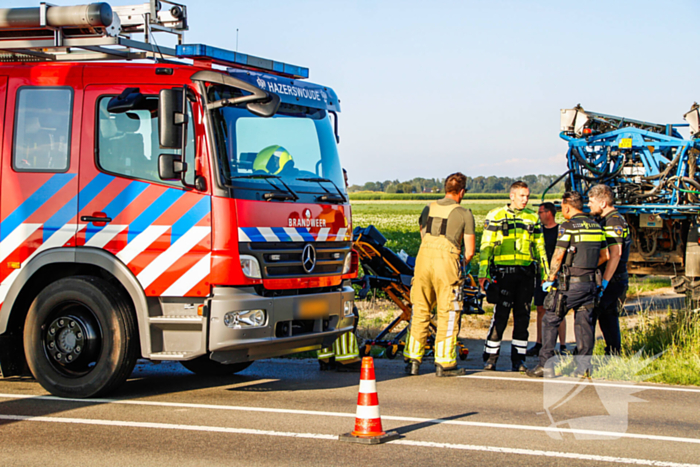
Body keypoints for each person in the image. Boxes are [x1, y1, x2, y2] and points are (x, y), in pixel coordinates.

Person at [527, 191, 609, 378]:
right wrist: (586, 267)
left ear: (566, 205)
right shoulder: (596, 227)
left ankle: (545, 365)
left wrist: (550, 279)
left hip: (570, 284)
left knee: (550, 319)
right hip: (590, 284)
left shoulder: (568, 226)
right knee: (584, 324)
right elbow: (606, 256)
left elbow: (558, 255)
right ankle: (584, 368)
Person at [403, 172, 476, 377]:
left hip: (423, 260)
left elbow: (422, 233)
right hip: (447, 263)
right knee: (448, 312)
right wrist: (461, 264)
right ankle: (444, 363)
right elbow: (469, 251)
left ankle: (413, 360)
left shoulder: (428, 208)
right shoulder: (464, 213)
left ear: (445, 189)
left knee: (420, 309)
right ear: (461, 192)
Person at [478, 181, 549, 372]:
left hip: (525, 275)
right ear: (512, 196)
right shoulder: (495, 215)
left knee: (523, 318)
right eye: (522, 196)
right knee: (500, 317)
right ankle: (491, 358)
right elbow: (486, 247)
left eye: (527, 196)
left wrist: (545, 274)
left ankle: (519, 360)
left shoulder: (532, 218)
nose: (525, 200)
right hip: (503, 275)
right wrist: (482, 274)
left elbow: (540, 248)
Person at [317, 167, 361, 372]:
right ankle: (347, 358)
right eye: (344, 180)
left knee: (323, 313)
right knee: (344, 311)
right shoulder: (336, 211)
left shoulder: (318, 209)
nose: (346, 185)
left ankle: (325, 356)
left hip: (321, 271)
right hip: (336, 270)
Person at [588, 184, 631, 355]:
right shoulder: (607, 219)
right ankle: (613, 352)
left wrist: (604, 282)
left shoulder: (613, 221)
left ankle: (585, 353)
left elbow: (615, 254)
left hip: (613, 279)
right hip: (613, 278)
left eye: (592, 202)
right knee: (607, 317)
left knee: (593, 314)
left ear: (603, 203)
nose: (589, 205)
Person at [527, 202, 567, 357]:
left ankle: (562, 345)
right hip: (540, 277)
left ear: (549, 213)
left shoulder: (560, 231)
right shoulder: (539, 231)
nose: (539, 215)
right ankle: (539, 342)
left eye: (541, 212)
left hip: (557, 276)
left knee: (559, 310)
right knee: (540, 309)